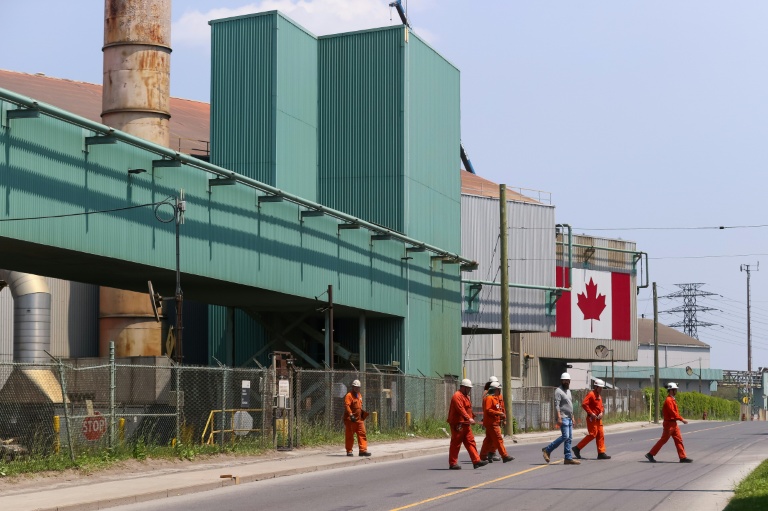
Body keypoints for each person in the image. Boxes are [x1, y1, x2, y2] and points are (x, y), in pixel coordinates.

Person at [645, 382, 692, 463]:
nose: (676, 391)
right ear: (671, 390)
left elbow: (675, 412)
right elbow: (673, 413)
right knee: (663, 440)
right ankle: (650, 454)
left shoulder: (672, 399)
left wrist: (680, 419)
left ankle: (682, 457)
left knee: (679, 440)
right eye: (675, 390)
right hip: (669, 424)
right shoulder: (668, 400)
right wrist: (682, 419)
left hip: (674, 423)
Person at [447, 378, 488, 470]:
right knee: (456, 443)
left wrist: (472, 417)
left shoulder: (466, 396)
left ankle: (476, 461)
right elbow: (460, 409)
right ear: (463, 387)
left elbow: (468, 409)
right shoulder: (457, 396)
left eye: (470, 388)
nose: (469, 390)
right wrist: (468, 418)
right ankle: (453, 463)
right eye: (468, 388)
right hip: (458, 424)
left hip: (466, 423)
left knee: (471, 442)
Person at [541, 372, 580, 465]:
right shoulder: (558, 391)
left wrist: (573, 417)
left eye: (567, 380)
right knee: (565, 436)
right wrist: (559, 417)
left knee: (569, 438)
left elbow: (570, 404)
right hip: (563, 417)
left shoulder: (568, 391)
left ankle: (568, 458)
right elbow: (557, 405)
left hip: (569, 417)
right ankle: (547, 450)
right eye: (564, 380)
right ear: (561, 381)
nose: (566, 382)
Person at [573, 378, 611, 460]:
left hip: (598, 419)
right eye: (600, 388)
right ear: (596, 387)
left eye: (602, 388)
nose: (601, 389)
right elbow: (584, 404)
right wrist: (591, 413)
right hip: (592, 418)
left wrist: (601, 413)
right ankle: (577, 448)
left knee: (600, 434)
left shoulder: (599, 396)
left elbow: (601, 407)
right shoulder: (591, 394)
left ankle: (601, 453)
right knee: (593, 434)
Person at [479, 381, 514, 463]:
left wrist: (503, 418)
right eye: (498, 389)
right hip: (491, 423)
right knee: (498, 439)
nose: (500, 391)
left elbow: (500, 408)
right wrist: (498, 413)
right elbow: (488, 410)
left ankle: (483, 456)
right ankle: (504, 456)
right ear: (495, 389)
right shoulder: (489, 398)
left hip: (494, 422)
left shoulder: (495, 398)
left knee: (488, 440)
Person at [344, 380, 371, 457]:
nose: (357, 389)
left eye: (358, 387)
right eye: (355, 387)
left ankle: (363, 450)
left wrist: (362, 415)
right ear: (353, 387)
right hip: (351, 420)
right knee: (350, 436)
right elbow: (347, 405)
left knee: (362, 434)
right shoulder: (349, 395)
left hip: (359, 420)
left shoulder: (359, 395)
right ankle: (349, 451)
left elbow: (359, 406)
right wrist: (351, 415)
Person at [482, 376, 502, 461]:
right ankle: (490, 453)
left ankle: (490, 453)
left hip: (496, 418)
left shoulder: (498, 394)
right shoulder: (487, 395)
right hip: (491, 419)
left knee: (491, 438)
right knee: (494, 437)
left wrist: (503, 417)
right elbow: (487, 408)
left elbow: (501, 405)